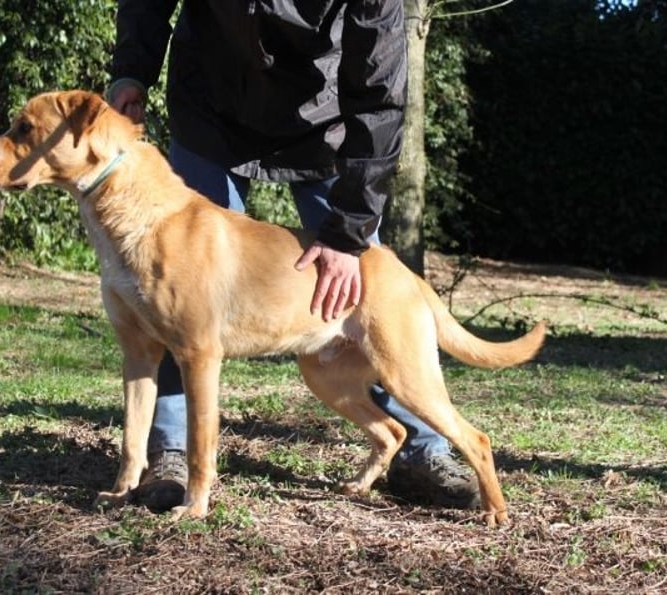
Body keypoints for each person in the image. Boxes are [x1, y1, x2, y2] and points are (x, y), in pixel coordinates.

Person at [106, 0, 480, 512]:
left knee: (370, 289)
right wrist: (132, 69)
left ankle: (422, 449)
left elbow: (379, 94)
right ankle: (170, 452)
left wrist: (349, 232)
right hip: (211, 104)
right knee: (177, 289)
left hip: (325, 121)